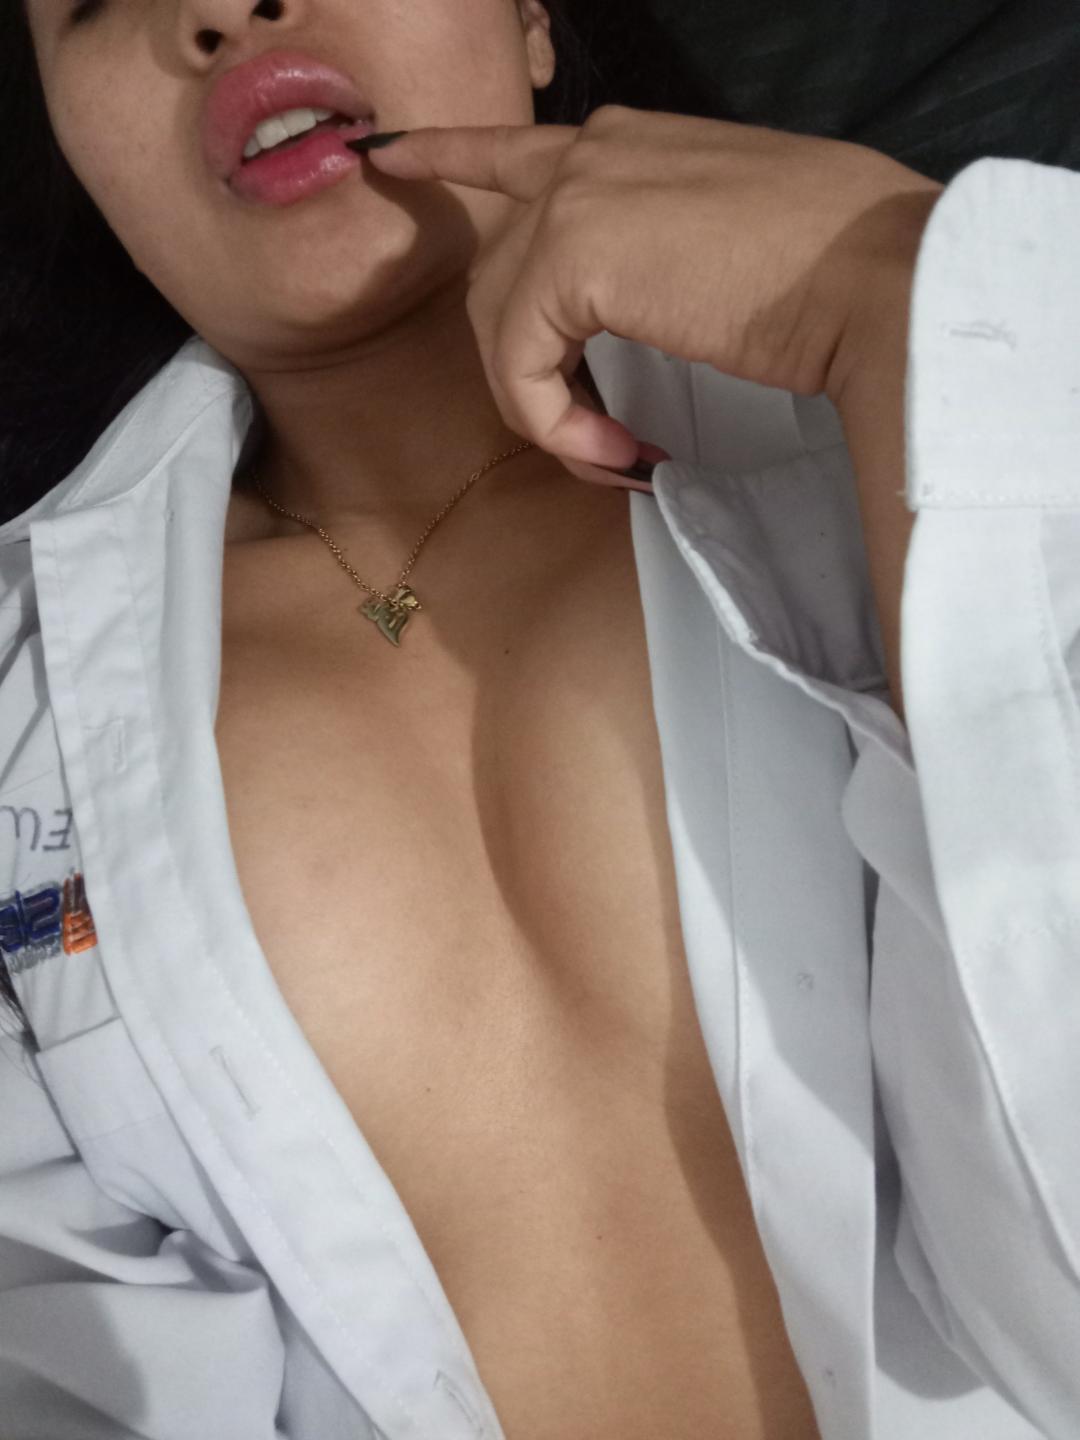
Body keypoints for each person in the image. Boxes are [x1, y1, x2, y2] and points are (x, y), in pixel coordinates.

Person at [1, 0, 1078, 1437]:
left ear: (529, 21)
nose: (213, 7)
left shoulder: (956, 414)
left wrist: (899, 291)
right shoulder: (27, 709)